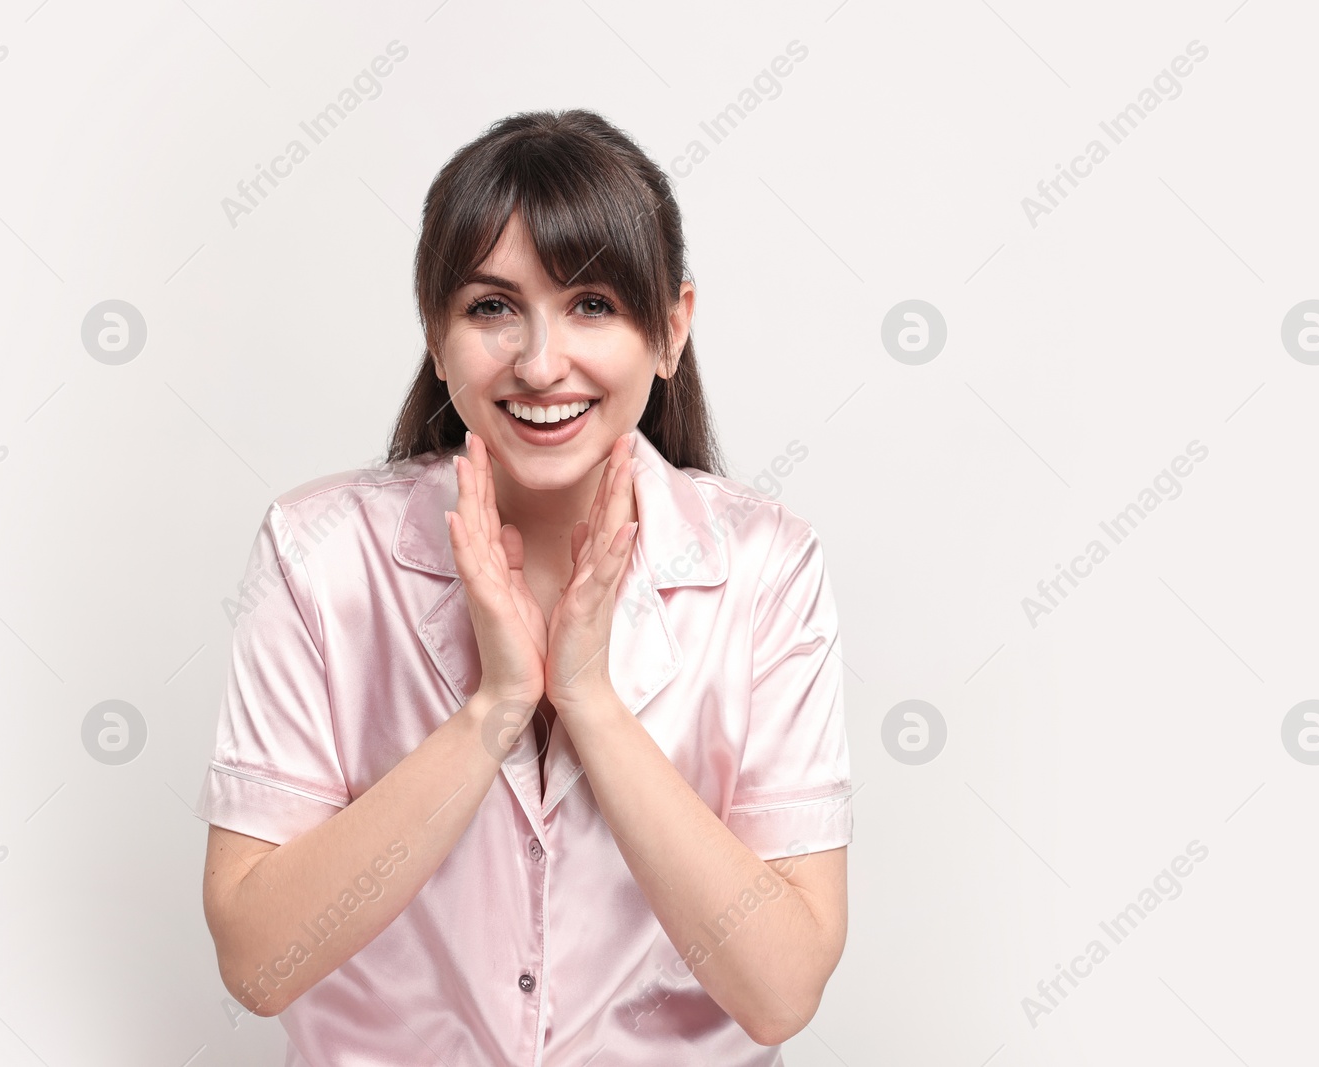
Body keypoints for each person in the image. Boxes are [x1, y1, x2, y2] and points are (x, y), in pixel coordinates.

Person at [196, 108, 854, 1065]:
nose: (541, 364)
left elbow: (781, 987)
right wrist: (494, 707)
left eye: (593, 304)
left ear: (672, 329)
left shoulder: (766, 565)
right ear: (435, 331)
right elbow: (258, 961)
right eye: (492, 307)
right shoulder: (320, 552)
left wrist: (586, 697)